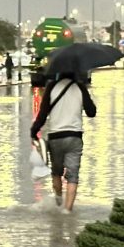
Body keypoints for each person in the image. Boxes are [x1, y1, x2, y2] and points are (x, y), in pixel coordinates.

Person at [30, 73, 97, 210]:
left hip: (56, 138)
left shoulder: (51, 87)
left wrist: (34, 131)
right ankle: (67, 211)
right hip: (75, 137)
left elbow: (42, 114)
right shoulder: (80, 87)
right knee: (73, 175)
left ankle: (58, 200)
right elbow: (91, 112)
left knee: (56, 172)